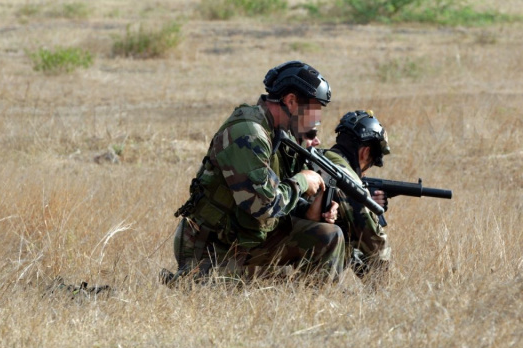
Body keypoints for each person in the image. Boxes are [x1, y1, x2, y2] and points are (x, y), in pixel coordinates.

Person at [163, 61, 345, 284]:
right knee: (236, 293)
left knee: (328, 236)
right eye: (313, 110)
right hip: (214, 248)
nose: (315, 121)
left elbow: (275, 192)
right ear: (291, 101)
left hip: (248, 239)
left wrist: (310, 211)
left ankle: (314, 306)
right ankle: (192, 280)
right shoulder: (248, 133)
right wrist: (301, 182)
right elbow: (263, 205)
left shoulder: (278, 134)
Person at [320, 110, 391, 279]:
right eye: (371, 163)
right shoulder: (346, 178)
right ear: (365, 153)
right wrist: (387, 292)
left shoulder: (321, 159)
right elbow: (376, 244)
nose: (365, 173)